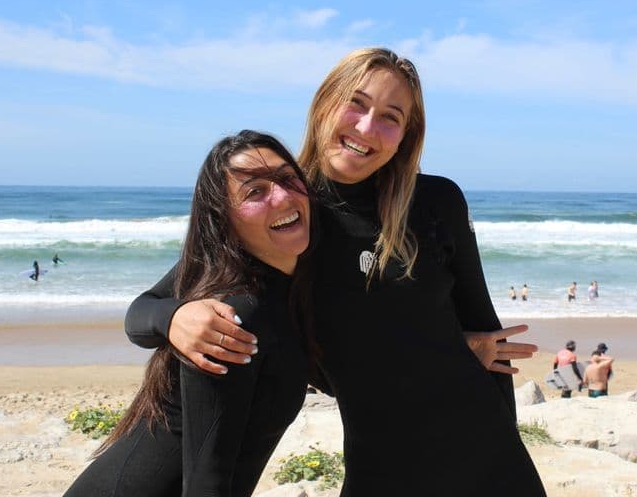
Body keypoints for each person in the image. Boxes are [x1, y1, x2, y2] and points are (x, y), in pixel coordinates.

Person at [124, 49, 546, 496]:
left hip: (489, 456)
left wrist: (504, 435)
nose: (366, 128)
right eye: (357, 104)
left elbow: (489, 339)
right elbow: (142, 312)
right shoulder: (289, 213)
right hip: (380, 467)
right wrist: (175, 319)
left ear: (405, 136)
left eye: (391, 117)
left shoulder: (438, 203)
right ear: (324, 104)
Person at [65, 131, 314, 497]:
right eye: (254, 191)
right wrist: (174, 319)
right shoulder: (230, 318)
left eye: (287, 177)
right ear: (224, 219)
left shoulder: (284, 277)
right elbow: (206, 482)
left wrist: (171, 317)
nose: (282, 196)